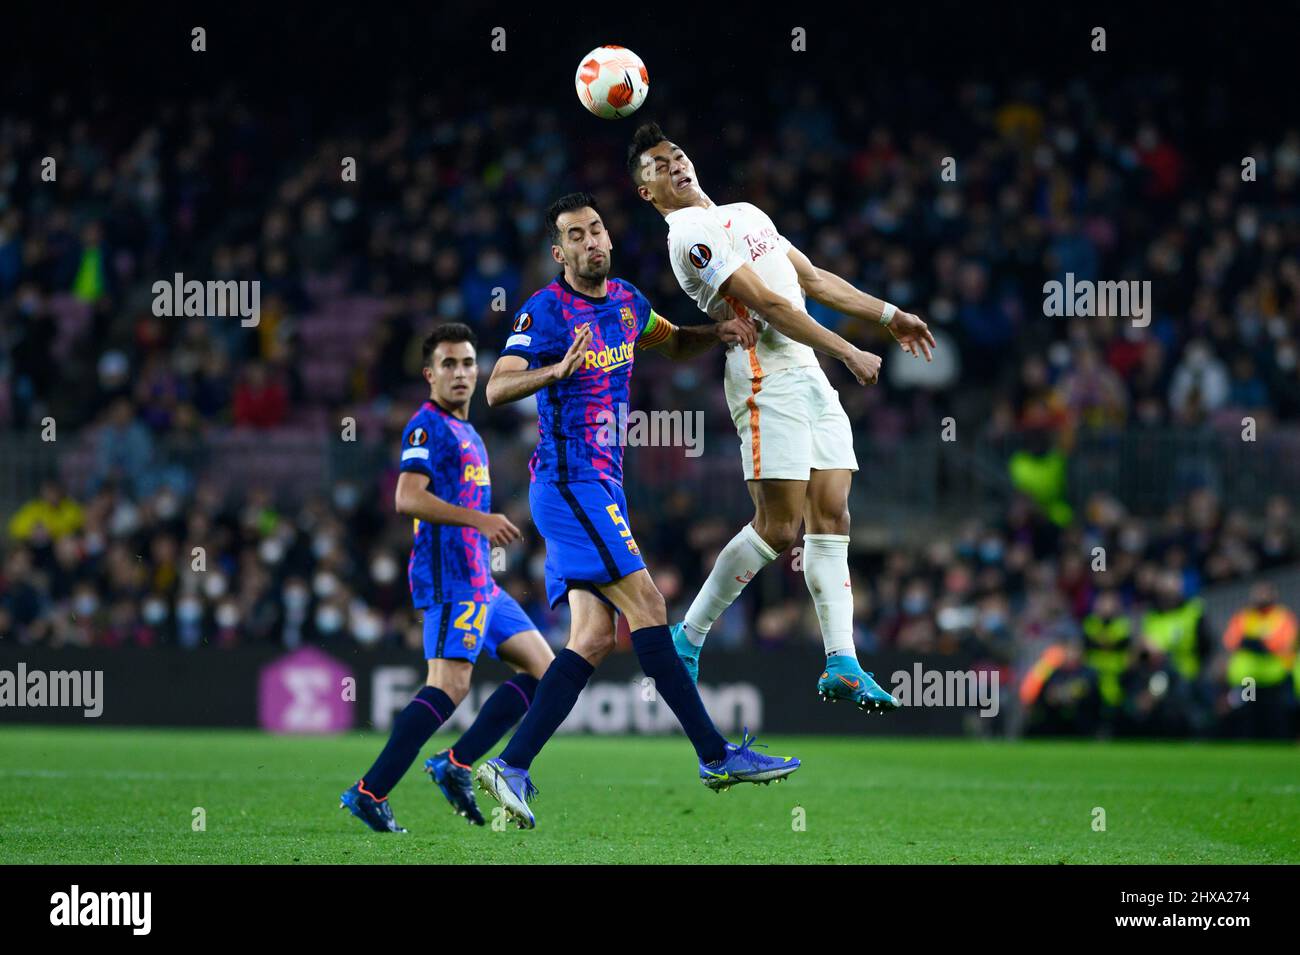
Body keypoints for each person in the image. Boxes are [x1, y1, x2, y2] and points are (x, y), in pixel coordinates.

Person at [475, 192, 800, 829]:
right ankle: (715, 755)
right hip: (571, 485)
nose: (591, 241)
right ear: (559, 251)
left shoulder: (626, 301)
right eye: (576, 235)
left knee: (593, 638)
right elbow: (497, 387)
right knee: (650, 609)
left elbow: (672, 343)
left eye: (597, 229)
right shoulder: (545, 312)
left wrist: (720, 333)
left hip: (603, 486)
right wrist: (552, 372)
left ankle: (510, 766)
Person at [626, 122, 935, 711]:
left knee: (832, 512)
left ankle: (842, 660)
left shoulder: (745, 212)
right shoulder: (688, 233)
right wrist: (845, 348)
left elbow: (810, 281)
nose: (675, 166)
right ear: (648, 193)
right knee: (778, 526)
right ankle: (686, 642)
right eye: (658, 167)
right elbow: (766, 305)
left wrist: (888, 314)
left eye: (679, 155)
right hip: (765, 376)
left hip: (807, 372)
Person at [340, 323, 555, 833]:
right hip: (448, 578)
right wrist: (480, 520)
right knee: (450, 686)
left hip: (482, 580)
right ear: (429, 374)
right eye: (449, 365)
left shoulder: (470, 431)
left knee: (545, 671)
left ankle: (455, 764)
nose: (460, 373)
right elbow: (407, 497)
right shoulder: (425, 427)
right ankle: (370, 790)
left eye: (467, 363)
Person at [1219, 581, 1297, 739]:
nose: (1261, 597)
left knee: (1275, 715)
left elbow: (1284, 642)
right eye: (1258, 593)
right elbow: (1231, 640)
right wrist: (1260, 643)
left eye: (1265, 593)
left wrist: (1256, 642)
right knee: (1247, 712)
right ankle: (1247, 744)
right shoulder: (1243, 616)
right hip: (1249, 679)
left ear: (1274, 595)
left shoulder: (1283, 617)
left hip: (1273, 678)